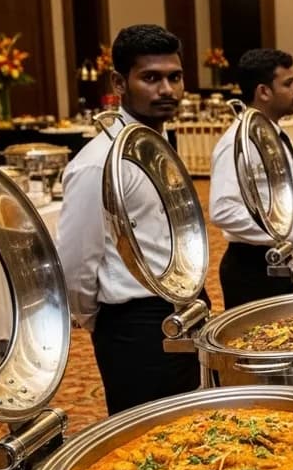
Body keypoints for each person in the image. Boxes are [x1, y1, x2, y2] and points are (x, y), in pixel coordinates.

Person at [57, 24, 201, 415]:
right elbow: (73, 262)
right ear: (120, 82)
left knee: (195, 424)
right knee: (149, 436)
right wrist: (101, 321)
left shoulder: (157, 144)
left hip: (185, 304)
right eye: (151, 78)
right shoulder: (96, 163)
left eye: (175, 77)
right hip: (136, 323)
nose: (167, 89)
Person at [209, 48, 293, 308]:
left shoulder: (273, 133)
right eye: (288, 83)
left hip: (285, 259)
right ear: (263, 92)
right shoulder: (238, 141)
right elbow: (223, 210)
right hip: (255, 267)